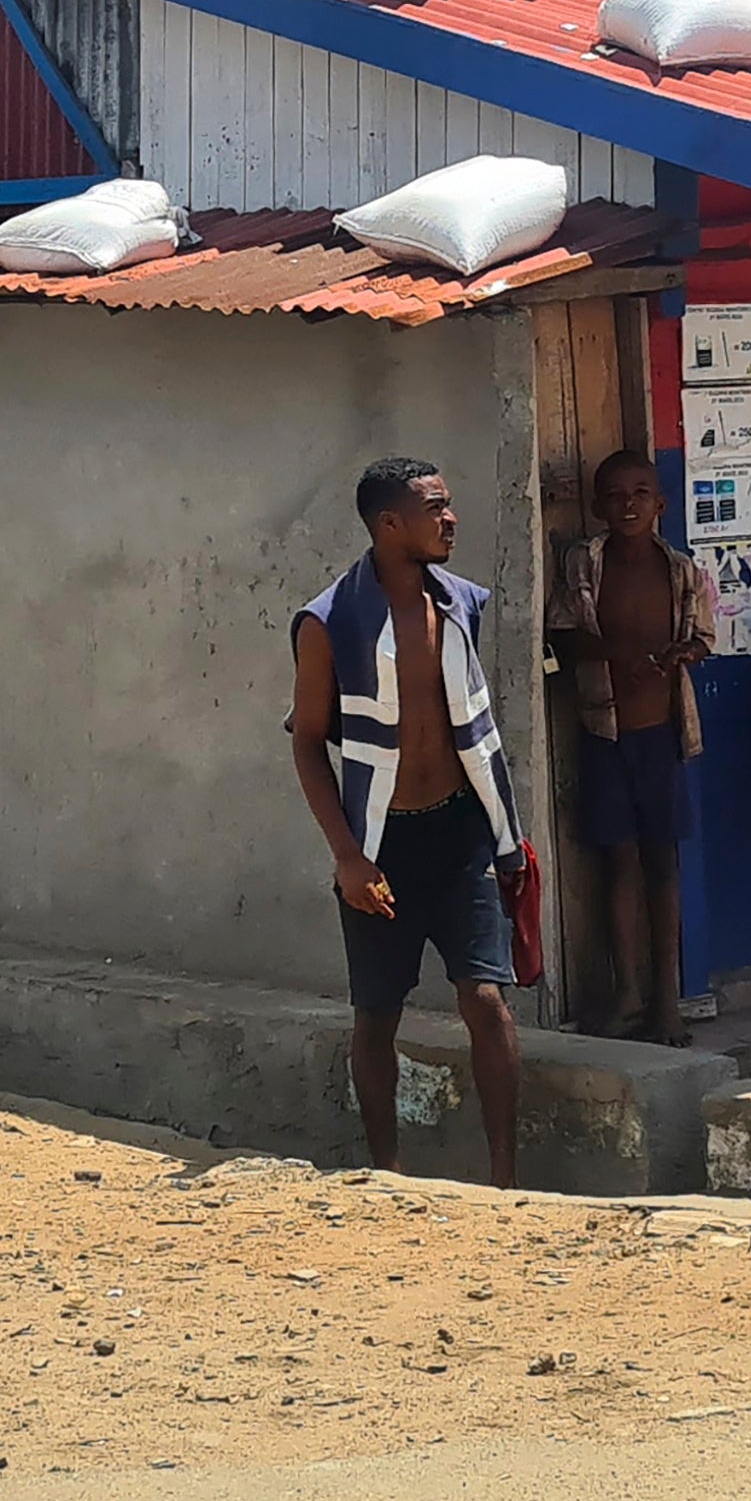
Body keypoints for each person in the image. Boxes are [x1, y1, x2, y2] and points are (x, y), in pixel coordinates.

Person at [289, 455, 527, 1183]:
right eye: (435, 508)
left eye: (449, 505)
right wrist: (348, 858)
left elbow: (467, 728)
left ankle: (505, 1179)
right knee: (377, 1015)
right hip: (381, 844)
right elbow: (306, 742)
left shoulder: (460, 604)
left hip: (459, 831)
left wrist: (506, 836)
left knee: (485, 1000)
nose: (450, 519)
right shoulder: (331, 622)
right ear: (390, 524)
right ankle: (386, 1174)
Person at [546, 446, 708, 1044]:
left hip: (661, 735)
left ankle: (667, 1001)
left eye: (640, 494)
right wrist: (616, 655)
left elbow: (701, 637)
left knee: (662, 863)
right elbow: (562, 636)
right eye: (615, 496)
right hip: (605, 732)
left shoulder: (681, 571)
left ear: (660, 503)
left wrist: (678, 655)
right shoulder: (585, 566)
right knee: (618, 863)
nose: (628, 505)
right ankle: (629, 994)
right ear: (597, 507)